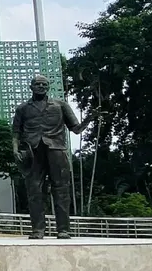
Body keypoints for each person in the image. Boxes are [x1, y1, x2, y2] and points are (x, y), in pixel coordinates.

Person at [11, 73, 92, 239]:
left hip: (56, 149)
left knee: (61, 189)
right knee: (34, 190)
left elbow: (75, 129)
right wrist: (15, 150)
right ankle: (38, 230)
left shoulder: (60, 105)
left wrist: (89, 118)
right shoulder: (23, 108)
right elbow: (15, 132)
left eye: (44, 84)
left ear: (48, 87)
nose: (41, 87)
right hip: (32, 152)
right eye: (38, 84)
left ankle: (63, 229)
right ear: (31, 87)